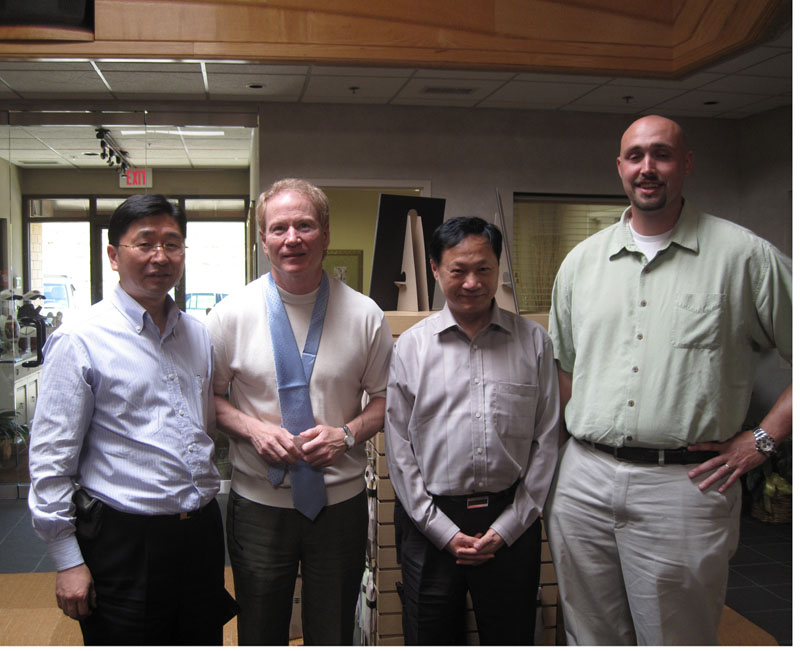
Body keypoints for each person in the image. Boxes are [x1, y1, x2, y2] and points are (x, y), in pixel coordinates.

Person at [546, 115, 792, 645]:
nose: (647, 167)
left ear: (686, 163)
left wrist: (763, 440)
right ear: (620, 166)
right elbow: (567, 366)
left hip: (684, 486)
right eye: (635, 156)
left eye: (661, 154)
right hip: (584, 483)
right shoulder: (581, 264)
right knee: (589, 636)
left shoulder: (743, 257)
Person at [28, 194, 234, 645]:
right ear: (113, 255)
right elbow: (50, 460)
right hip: (124, 540)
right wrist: (66, 558)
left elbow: (201, 427)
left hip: (199, 533)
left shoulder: (197, 334)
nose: (160, 256)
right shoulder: (80, 339)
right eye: (145, 243)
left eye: (172, 243)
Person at [207, 178, 393, 645]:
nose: (292, 239)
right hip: (258, 505)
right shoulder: (229, 315)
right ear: (262, 239)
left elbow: (386, 400)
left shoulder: (366, 315)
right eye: (279, 228)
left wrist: (346, 435)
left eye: (305, 226)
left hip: (340, 504)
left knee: (333, 631)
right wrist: (252, 429)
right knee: (260, 629)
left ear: (326, 234)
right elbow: (208, 398)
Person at [384, 216, 560, 645]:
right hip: (430, 523)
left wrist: (509, 527)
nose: (472, 282)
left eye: (483, 269)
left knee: (511, 638)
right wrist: (441, 530)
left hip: (510, 521)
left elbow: (547, 440)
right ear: (435, 269)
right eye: (458, 270)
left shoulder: (534, 343)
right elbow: (399, 448)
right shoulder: (411, 346)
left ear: (498, 268)